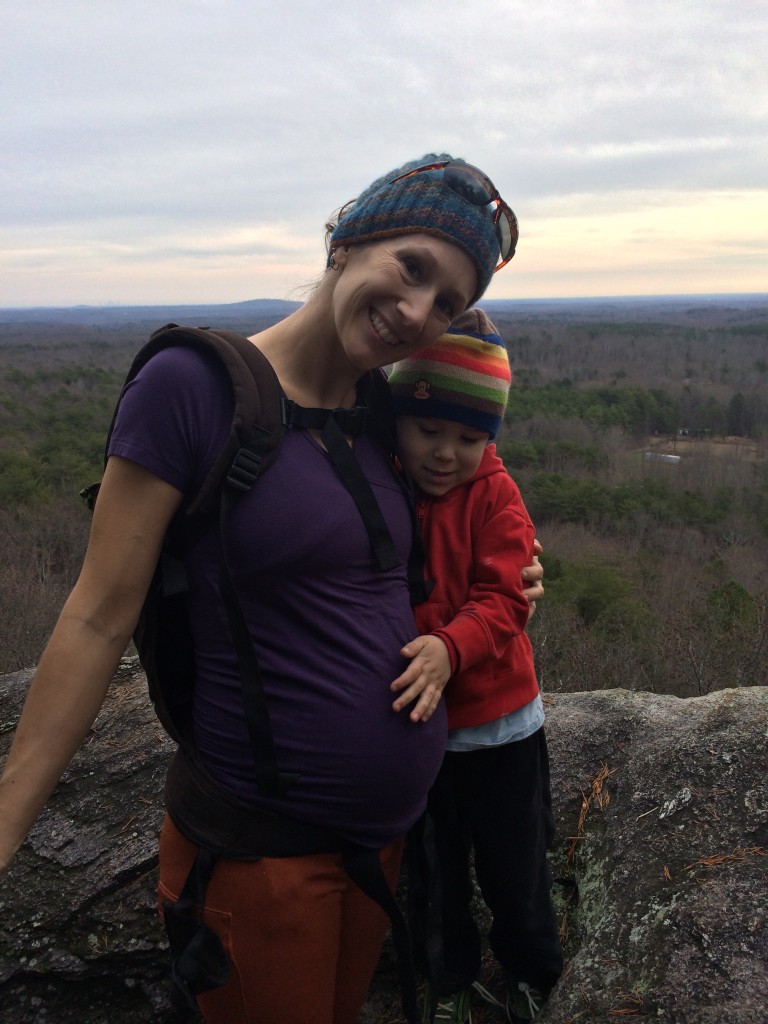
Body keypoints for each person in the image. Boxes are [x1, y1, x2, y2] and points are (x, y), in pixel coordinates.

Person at [0, 155, 541, 1024]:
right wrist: (7, 821)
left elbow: (458, 488)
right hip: (259, 859)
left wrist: (512, 569)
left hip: (379, 847)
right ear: (345, 241)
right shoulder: (192, 388)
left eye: (446, 301)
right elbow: (99, 615)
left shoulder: (382, 414)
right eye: (411, 267)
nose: (417, 311)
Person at [388, 309, 563, 1024]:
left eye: (469, 437)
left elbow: (505, 598)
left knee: (516, 867)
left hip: (501, 731)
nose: (444, 454)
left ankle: (534, 975)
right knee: (432, 874)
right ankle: (448, 979)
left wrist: (448, 646)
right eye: (429, 430)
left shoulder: (496, 495)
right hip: (420, 734)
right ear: (399, 418)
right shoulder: (382, 486)